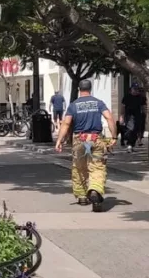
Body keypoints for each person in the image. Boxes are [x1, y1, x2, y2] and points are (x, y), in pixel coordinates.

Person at [55, 80, 117, 211]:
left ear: (79, 89)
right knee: (97, 168)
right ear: (90, 89)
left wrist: (59, 140)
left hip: (79, 140)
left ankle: (82, 196)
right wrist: (114, 136)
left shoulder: (73, 105)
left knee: (79, 168)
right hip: (96, 139)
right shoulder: (98, 103)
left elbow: (66, 124)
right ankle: (95, 190)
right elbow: (109, 118)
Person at [122, 84, 146, 152]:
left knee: (136, 130)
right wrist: (122, 115)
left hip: (138, 116)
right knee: (131, 129)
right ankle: (129, 144)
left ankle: (131, 145)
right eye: (134, 89)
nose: (136, 90)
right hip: (129, 115)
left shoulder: (141, 97)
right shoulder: (127, 97)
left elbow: (143, 107)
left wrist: (144, 115)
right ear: (131, 89)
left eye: (137, 89)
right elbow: (123, 106)